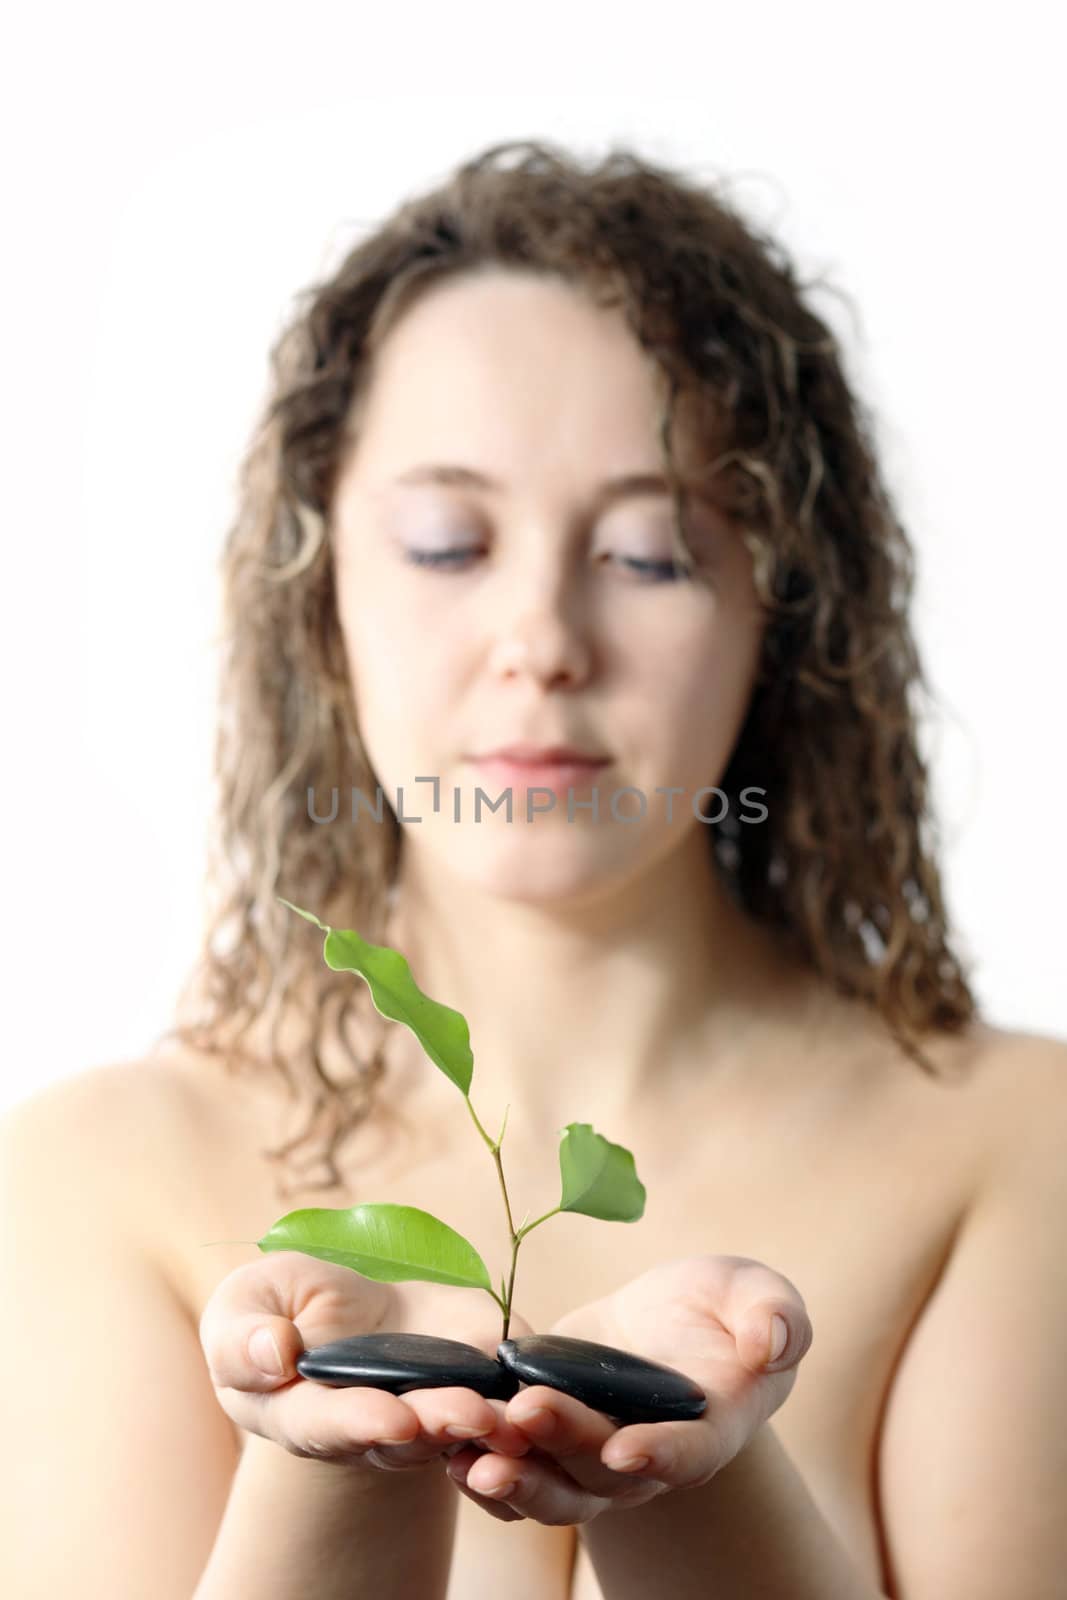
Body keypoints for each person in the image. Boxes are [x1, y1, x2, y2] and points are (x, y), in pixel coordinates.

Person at [2, 137, 1064, 1600]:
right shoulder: (91, 1177)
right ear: (322, 597)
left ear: (786, 614)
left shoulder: (1023, 1148)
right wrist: (327, 1473)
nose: (543, 638)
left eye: (649, 555)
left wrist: (702, 1478)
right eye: (449, 544)